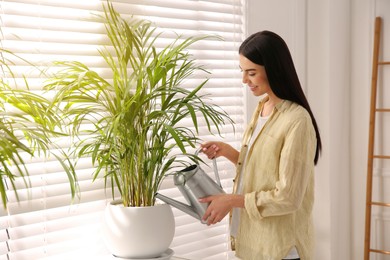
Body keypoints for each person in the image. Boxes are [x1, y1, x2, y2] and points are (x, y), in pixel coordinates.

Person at [199, 31, 322, 260]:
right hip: (252, 242)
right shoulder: (262, 108)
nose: (244, 80)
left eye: (251, 73)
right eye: (242, 72)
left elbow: (288, 197)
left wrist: (230, 200)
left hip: (280, 249)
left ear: (273, 69)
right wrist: (227, 151)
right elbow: (262, 169)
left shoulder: (297, 120)